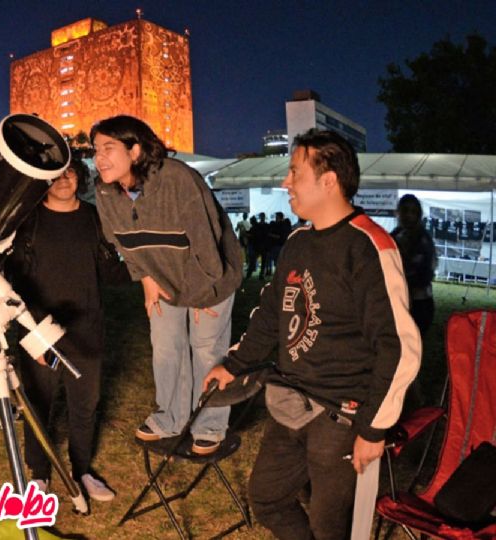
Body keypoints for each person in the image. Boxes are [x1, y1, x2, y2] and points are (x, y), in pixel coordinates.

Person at [204, 129, 421, 540]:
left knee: (329, 527)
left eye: (294, 172)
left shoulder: (370, 248)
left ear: (328, 180)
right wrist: (233, 364)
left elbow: (399, 348)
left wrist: (373, 429)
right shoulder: (298, 241)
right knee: (266, 497)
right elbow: (271, 315)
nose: (285, 182)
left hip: (342, 414)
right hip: (290, 402)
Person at [91, 115, 242, 455]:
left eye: (109, 148)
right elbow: (121, 243)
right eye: (96, 149)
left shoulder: (176, 178)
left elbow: (207, 242)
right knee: (165, 346)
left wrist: (204, 293)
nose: (99, 158)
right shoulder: (105, 191)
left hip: (210, 277)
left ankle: (210, 425)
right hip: (163, 278)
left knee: (206, 350)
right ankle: (171, 418)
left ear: (135, 149)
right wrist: (144, 277)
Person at [7, 160, 128, 502]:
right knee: (39, 402)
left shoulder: (92, 217)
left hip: (85, 329)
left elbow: (108, 269)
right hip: (40, 330)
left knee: (84, 405)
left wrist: (150, 268)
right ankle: (40, 475)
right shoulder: (29, 221)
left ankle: (82, 470)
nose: (64, 180)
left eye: (70, 173)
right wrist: (34, 331)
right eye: (56, 175)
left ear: (79, 177)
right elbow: (16, 281)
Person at [392, 194, 436, 337]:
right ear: (399, 212)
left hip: (419, 304)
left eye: (413, 212)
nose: (409, 216)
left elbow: (427, 273)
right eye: (405, 211)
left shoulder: (424, 239)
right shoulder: (394, 236)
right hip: (398, 302)